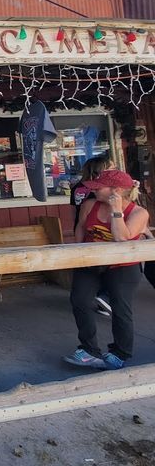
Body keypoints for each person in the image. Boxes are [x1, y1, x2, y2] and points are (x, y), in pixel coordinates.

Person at [64, 169, 149, 370]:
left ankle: (120, 352)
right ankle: (88, 349)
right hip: (91, 261)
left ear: (116, 190)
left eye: (99, 187)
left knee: (120, 309)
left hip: (123, 266)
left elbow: (122, 238)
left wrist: (116, 209)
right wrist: (78, 252)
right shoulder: (89, 205)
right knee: (80, 300)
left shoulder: (139, 213)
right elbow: (81, 227)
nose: (94, 190)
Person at [70, 156, 114, 316]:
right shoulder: (99, 191)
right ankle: (104, 296)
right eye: (110, 168)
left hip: (81, 227)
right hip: (99, 227)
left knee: (89, 266)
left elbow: (74, 211)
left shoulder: (77, 187)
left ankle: (92, 296)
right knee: (109, 265)